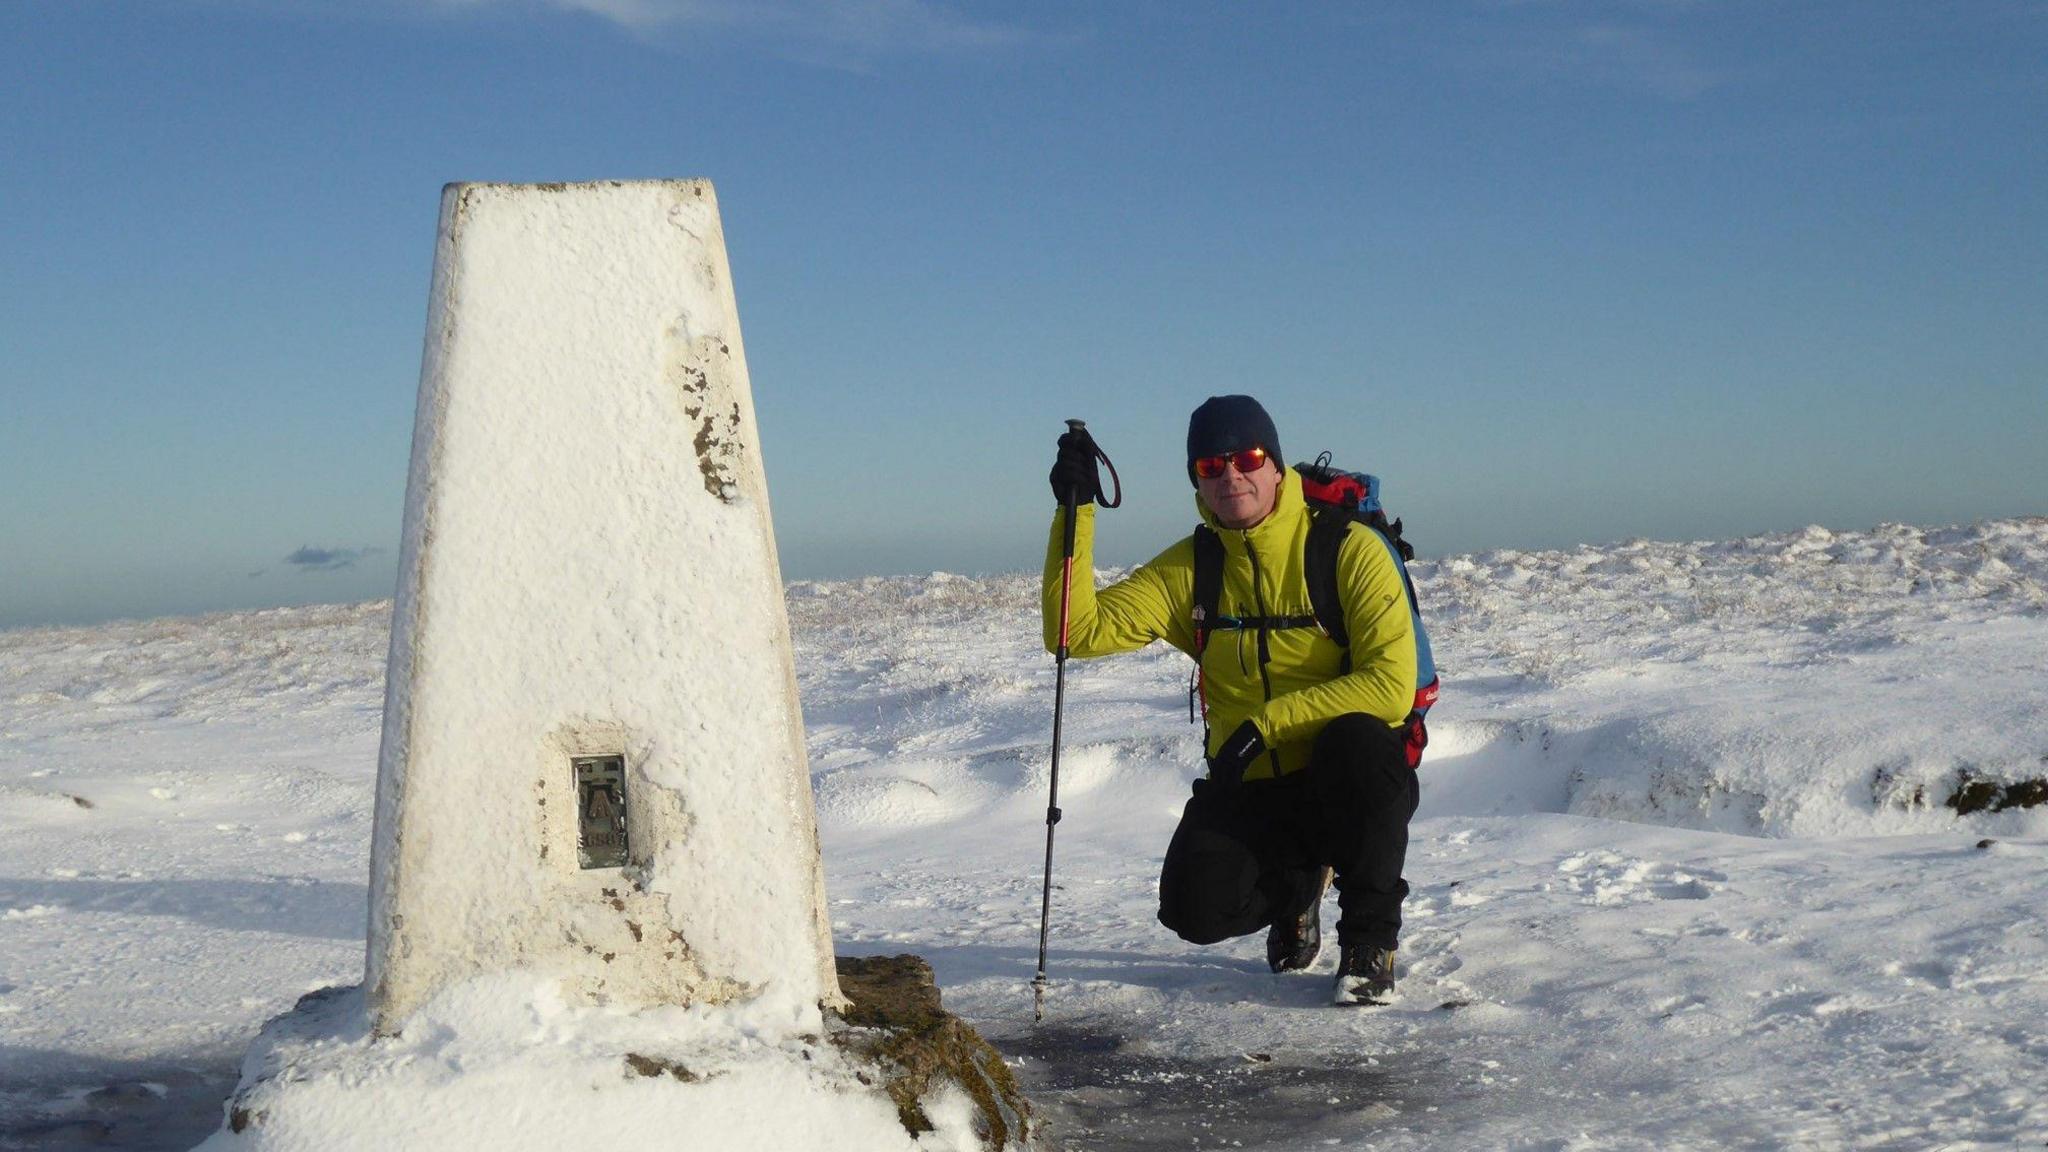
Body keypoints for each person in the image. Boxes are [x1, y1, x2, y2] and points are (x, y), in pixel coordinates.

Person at [1044, 395, 1421, 1005]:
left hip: (1346, 777)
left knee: (1360, 743)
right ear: (1196, 481)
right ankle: (1300, 890)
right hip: (1252, 780)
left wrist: (1266, 723)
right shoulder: (1191, 569)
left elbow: (1390, 685)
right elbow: (1072, 632)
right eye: (1210, 467)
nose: (1231, 476)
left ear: (1276, 465)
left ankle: (1368, 944)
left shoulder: (1347, 549)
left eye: (1245, 458)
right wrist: (1075, 511)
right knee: (1195, 909)